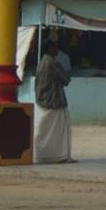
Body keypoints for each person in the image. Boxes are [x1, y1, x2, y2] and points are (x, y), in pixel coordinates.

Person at [32, 34, 74, 163]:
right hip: (55, 101)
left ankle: (42, 155)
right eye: (55, 47)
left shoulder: (41, 63)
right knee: (59, 132)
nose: (57, 50)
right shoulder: (53, 63)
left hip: (42, 101)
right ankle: (59, 155)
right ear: (50, 49)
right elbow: (66, 80)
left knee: (42, 131)